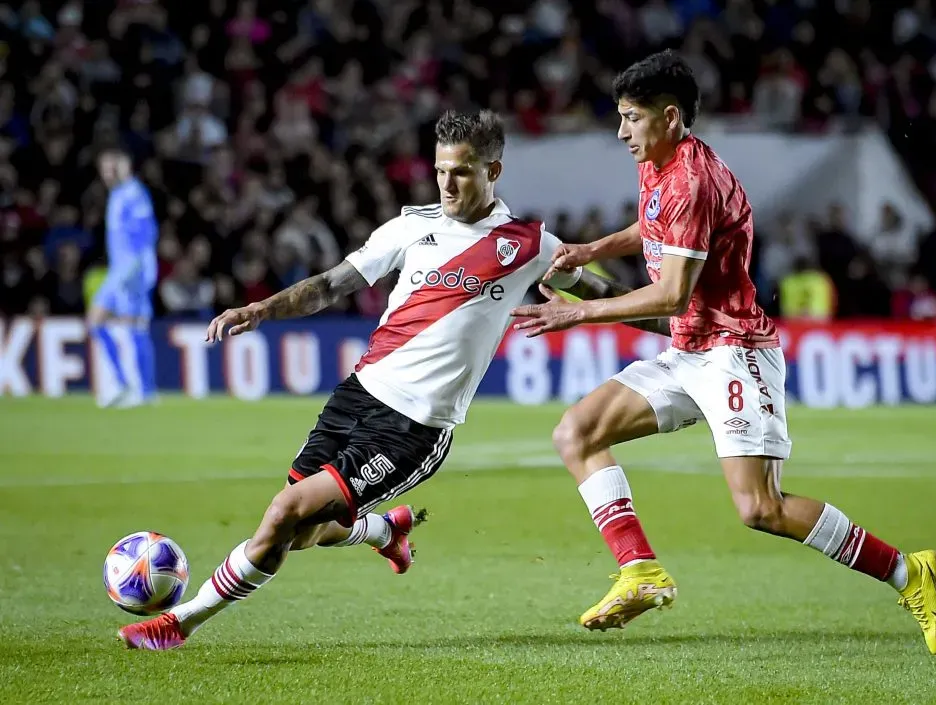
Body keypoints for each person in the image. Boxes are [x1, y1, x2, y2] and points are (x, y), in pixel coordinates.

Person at [116, 109, 664, 651]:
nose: (448, 183)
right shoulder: (411, 226)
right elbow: (331, 285)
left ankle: (178, 624)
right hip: (357, 394)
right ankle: (384, 531)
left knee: (283, 515)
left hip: (415, 428)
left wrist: (681, 324)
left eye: (463, 171)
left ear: (493, 172)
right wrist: (262, 308)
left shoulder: (529, 245)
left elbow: (599, 294)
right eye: (441, 170)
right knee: (297, 532)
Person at [511, 50, 936, 655]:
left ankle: (910, 572)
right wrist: (594, 250)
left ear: (669, 117)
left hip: (733, 351)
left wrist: (577, 311)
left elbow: (671, 292)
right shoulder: (660, 163)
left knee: (761, 508)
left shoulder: (693, 178)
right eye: (619, 117)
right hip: (688, 348)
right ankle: (640, 571)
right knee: (576, 433)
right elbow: (654, 224)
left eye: (631, 118)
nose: (621, 132)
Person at [89, 145, 159, 407]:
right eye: (103, 168)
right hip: (118, 271)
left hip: (131, 272)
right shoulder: (118, 194)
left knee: (134, 327)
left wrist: (139, 271)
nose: (107, 173)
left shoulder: (133, 193)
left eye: (111, 167)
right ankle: (123, 384)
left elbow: (147, 234)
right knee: (96, 321)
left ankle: (145, 392)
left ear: (122, 166)